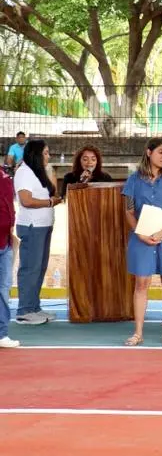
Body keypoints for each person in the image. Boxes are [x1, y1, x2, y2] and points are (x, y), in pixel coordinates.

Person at [121, 139, 162, 346]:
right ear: (148, 152)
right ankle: (138, 332)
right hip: (142, 236)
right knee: (141, 283)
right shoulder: (133, 179)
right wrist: (139, 233)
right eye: (161, 152)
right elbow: (129, 211)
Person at [13, 139, 62, 325]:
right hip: (32, 226)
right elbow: (26, 200)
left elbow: (52, 192)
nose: (49, 156)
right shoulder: (24, 172)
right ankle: (24, 310)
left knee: (39, 268)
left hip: (44, 225)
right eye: (46, 153)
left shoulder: (38, 172)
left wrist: (49, 172)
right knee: (30, 268)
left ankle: (34, 307)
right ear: (37, 154)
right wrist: (49, 203)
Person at [0, 165, 18, 346]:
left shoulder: (4, 176)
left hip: (5, 242)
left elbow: (9, 205)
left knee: (3, 289)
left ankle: (1, 334)